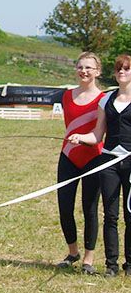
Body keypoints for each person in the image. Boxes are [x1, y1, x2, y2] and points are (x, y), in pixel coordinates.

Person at [68, 53, 131, 278]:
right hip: (109, 162)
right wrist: (80, 138)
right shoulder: (106, 100)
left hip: (130, 162)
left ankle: (129, 264)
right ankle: (111, 265)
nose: (122, 72)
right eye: (118, 69)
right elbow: (97, 134)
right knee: (111, 215)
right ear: (114, 74)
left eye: (126, 69)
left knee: (130, 213)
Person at [54, 53, 103, 273]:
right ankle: (72, 252)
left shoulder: (103, 99)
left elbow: (100, 132)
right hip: (68, 157)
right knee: (65, 207)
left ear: (97, 71)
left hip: (93, 158)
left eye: (89, 68)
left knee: (89, 208)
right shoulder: (66, 96)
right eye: (80, 67)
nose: (84, 71)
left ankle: (88, 259)